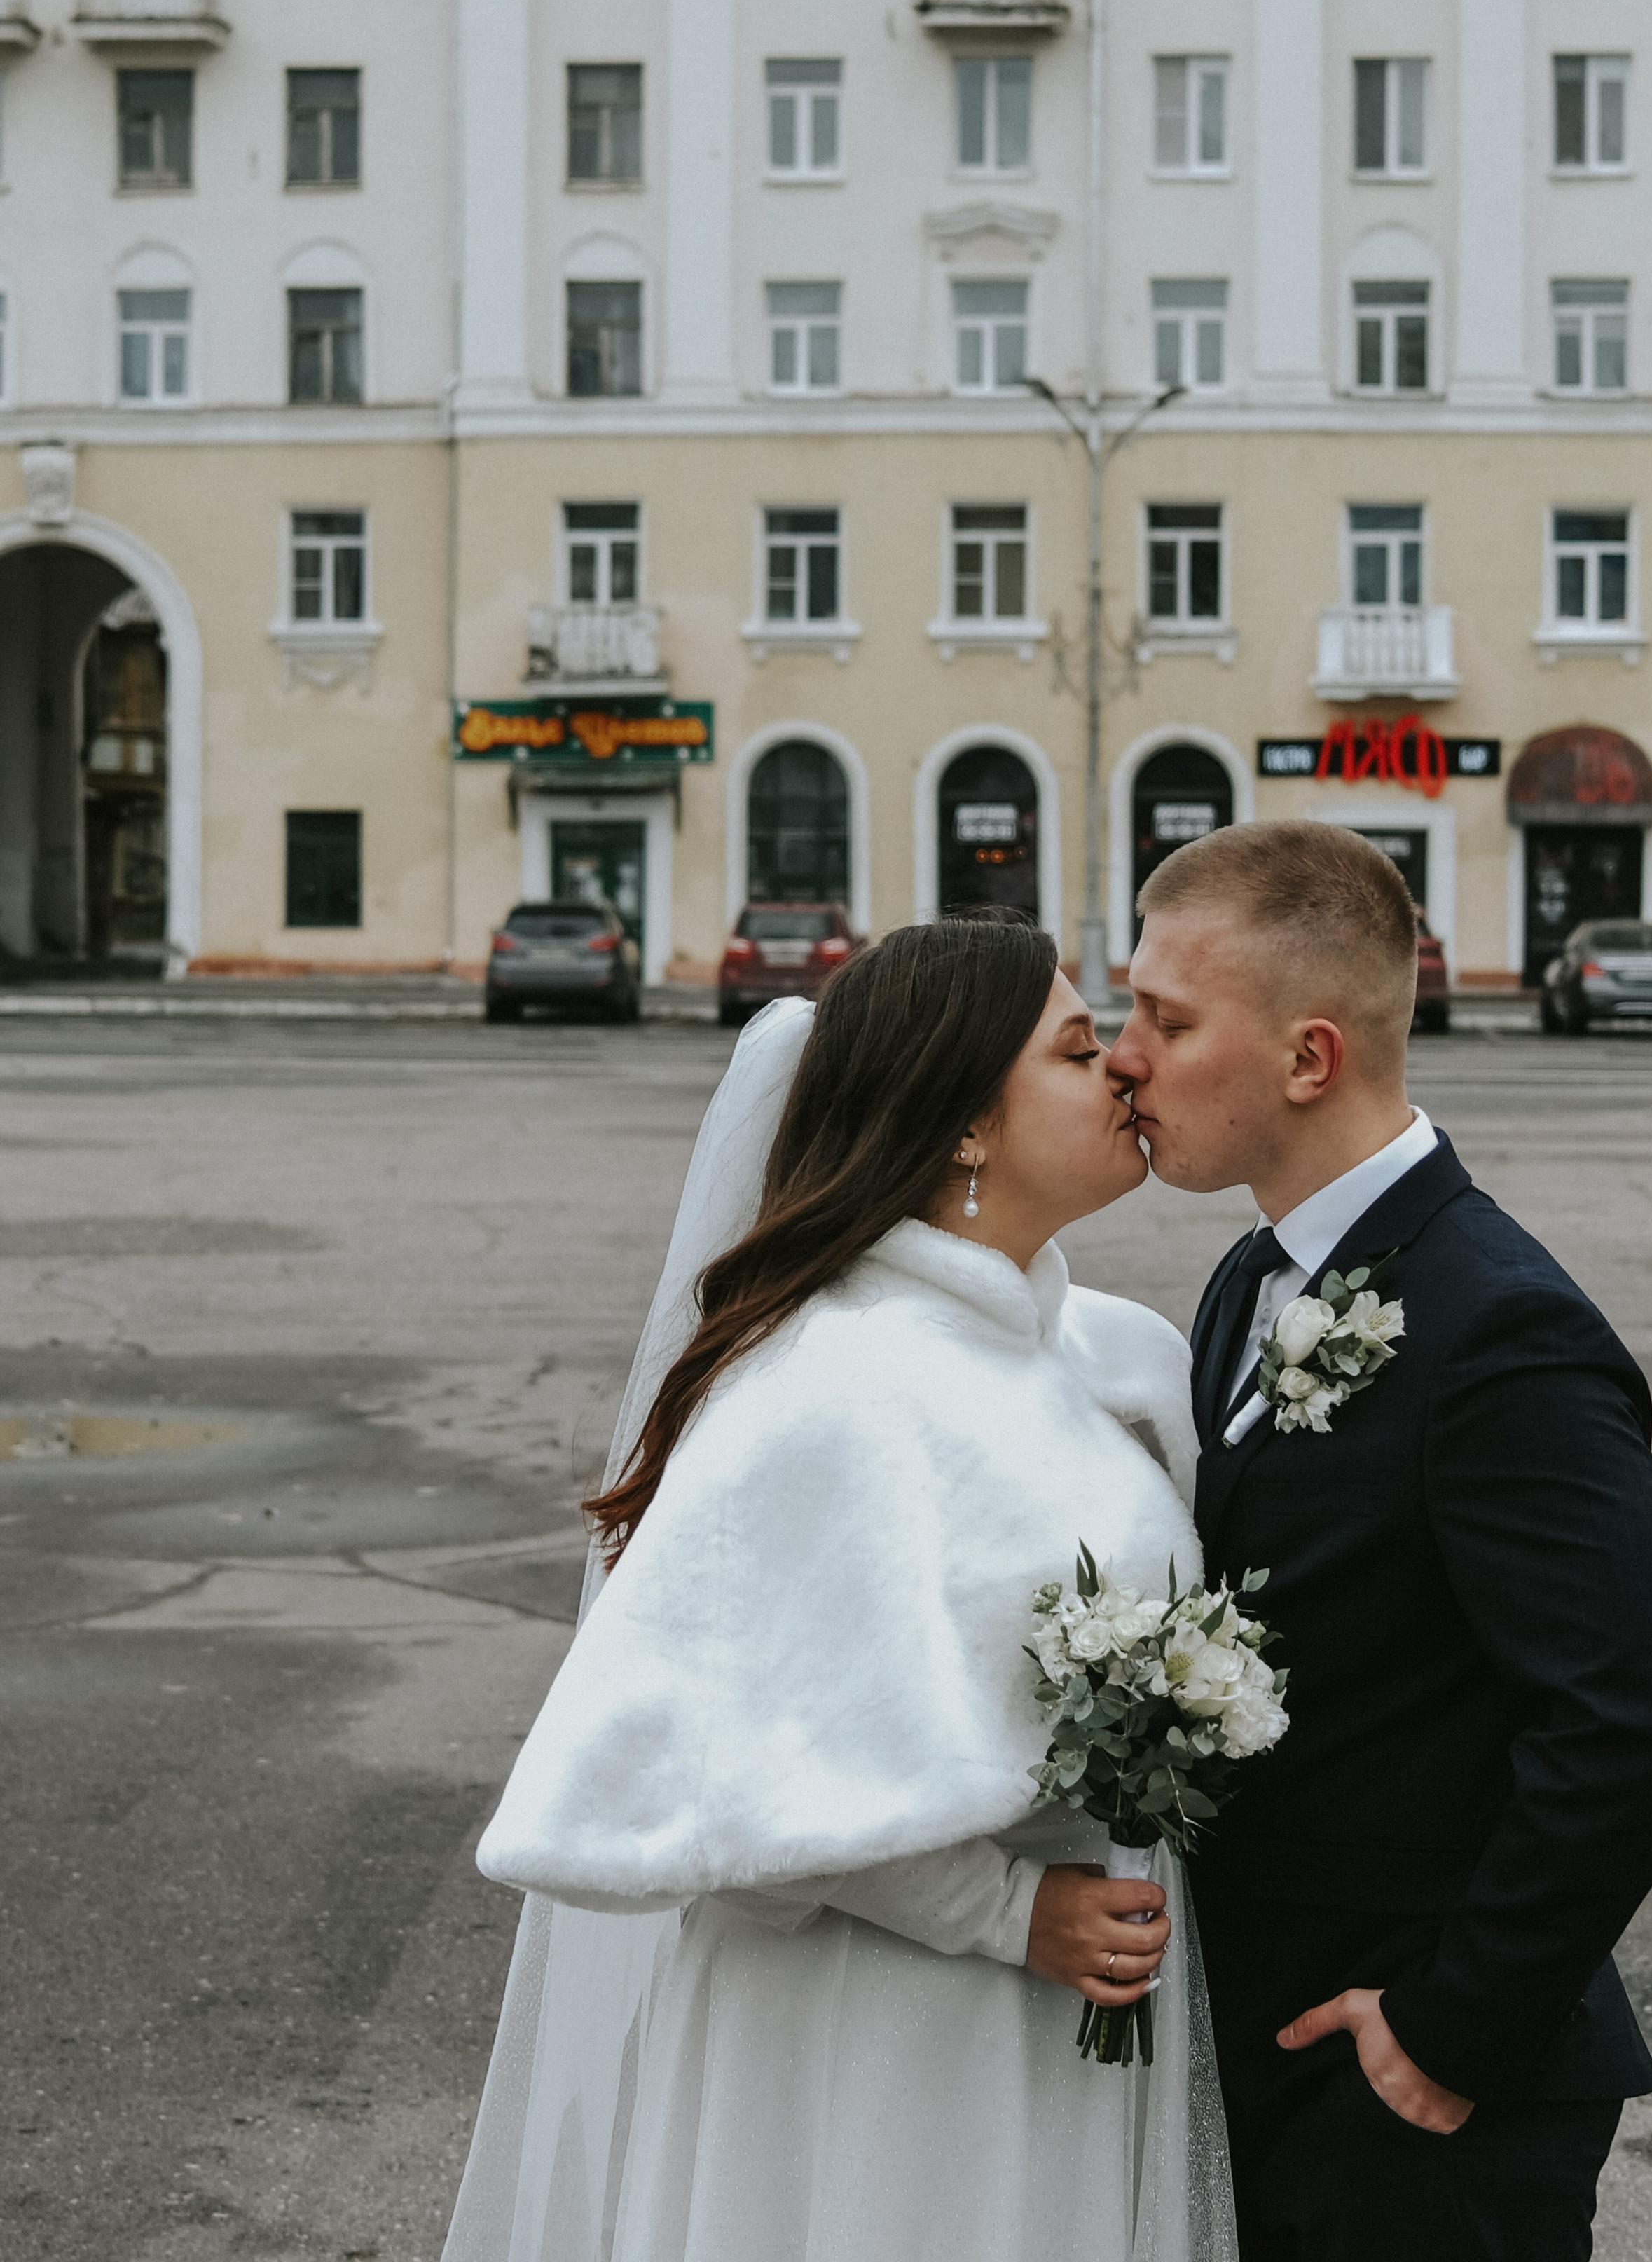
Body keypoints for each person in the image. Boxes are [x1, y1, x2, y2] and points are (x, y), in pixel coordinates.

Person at [445, 913, 1238, 2262]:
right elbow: (724, 1796)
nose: (1119, 1072)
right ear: (966, 1125)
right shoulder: (832, 1388)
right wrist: (1006, 1911)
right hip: (879, 2044)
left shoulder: (1108, 1356)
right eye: (1074, 1048)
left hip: (1061, 2036)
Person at [1108, 820, 1652, 2262]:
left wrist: (1450, 2031)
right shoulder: (1246, 1278)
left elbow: (1630, 1720)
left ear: (1306, 1058)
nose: (1122, 1053)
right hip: (1272, 2060)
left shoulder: (1497, 1326)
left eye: (1165, 1019)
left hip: (1420, 2113)